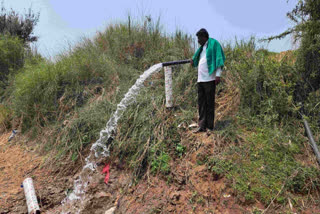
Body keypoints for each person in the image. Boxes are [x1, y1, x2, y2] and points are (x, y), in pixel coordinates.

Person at [190, 28, 226, 133]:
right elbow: (198, 60)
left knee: (209, 103)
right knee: (201, 104)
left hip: (210, 79)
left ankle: (210, 127)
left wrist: (218, 75)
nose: (198, 41)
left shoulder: (214, 44)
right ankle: (202, 126)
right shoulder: (201, 49)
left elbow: (219, 59)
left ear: (204, 37)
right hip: (200, 80)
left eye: (199, 38)